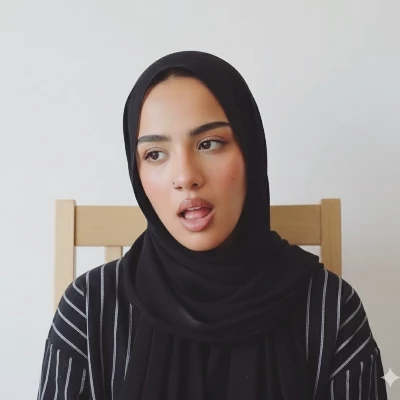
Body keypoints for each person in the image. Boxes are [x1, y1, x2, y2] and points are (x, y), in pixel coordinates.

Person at [37, 51, 388, 399]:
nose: (186, 177)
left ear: (251, 152)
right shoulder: (88, 310)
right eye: (155, 154)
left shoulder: (331, 309)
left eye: (209, 143)